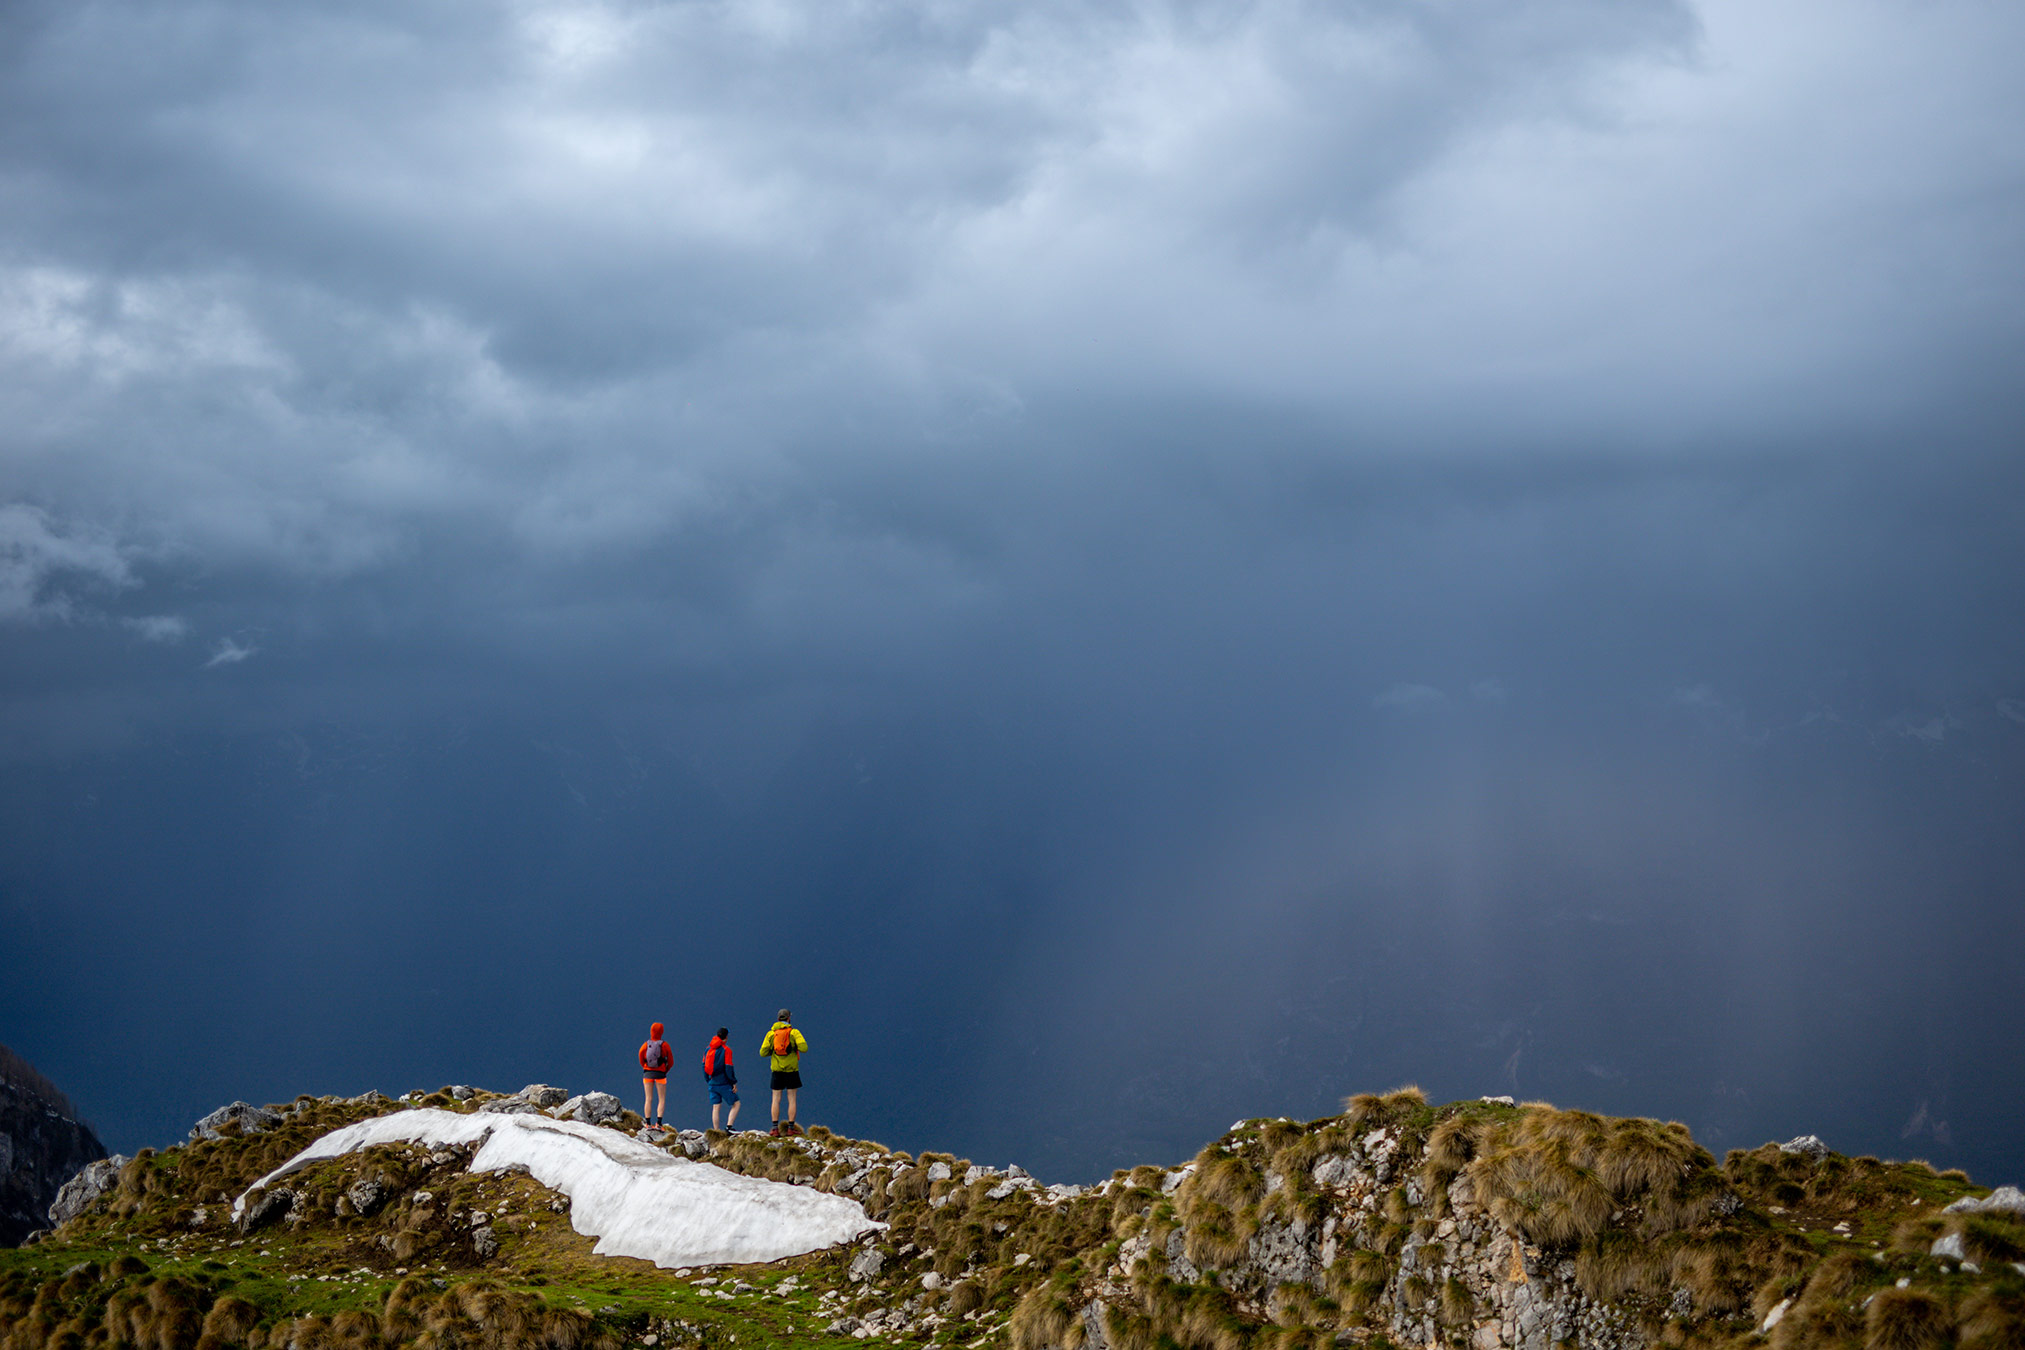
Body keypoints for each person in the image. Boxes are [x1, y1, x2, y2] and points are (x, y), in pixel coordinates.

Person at [760, 1009, 808, 1136]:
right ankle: (790, 1128)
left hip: (776, 1071)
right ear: (788, 1018)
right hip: (791, 1070)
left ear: (778, 1019)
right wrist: (792, 1047)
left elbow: (762, 1052)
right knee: (792, 1099)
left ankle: (775, 1128)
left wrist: (774, 1051)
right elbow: (804, 1048)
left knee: (775, 1099)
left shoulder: (771, 1034)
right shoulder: (794, 1032)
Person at [703, 1027, 740, 1131]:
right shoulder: (726, 1050)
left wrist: (708, 1080)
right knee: (736, 1104)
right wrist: (733, 1082)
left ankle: (716, 1131)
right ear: (726, 1037)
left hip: (712, 1083)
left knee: (716, 1107)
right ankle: (729, 1127)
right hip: (723, 1083)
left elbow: (703, 1066)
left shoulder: (707, 1049)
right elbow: (728, 1068)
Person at [639, 1021, 673, 1132]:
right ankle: (658, 1124)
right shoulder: (664, 1045)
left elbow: (640, 1057)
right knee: (661, 1099)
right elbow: (671, 1061)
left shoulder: (645, 1045)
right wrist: (665, 1070)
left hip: (647, 1073)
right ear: (661, 1032)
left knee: (648, 1098)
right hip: (661, 1074)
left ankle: (648, 1124)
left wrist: (645, 1067)